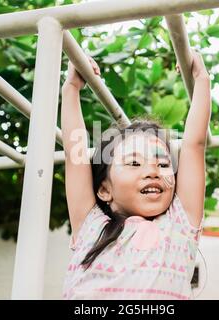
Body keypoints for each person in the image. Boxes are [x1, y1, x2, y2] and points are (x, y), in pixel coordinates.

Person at [61, 49, 211, 299]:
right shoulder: (92, 226)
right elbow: (74, 155)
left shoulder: (179, 224)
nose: (153, 171)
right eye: (134, 163)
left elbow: (194, 144)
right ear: (104, 189)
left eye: (163, 165)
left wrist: (202, 78)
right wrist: (72, 87)